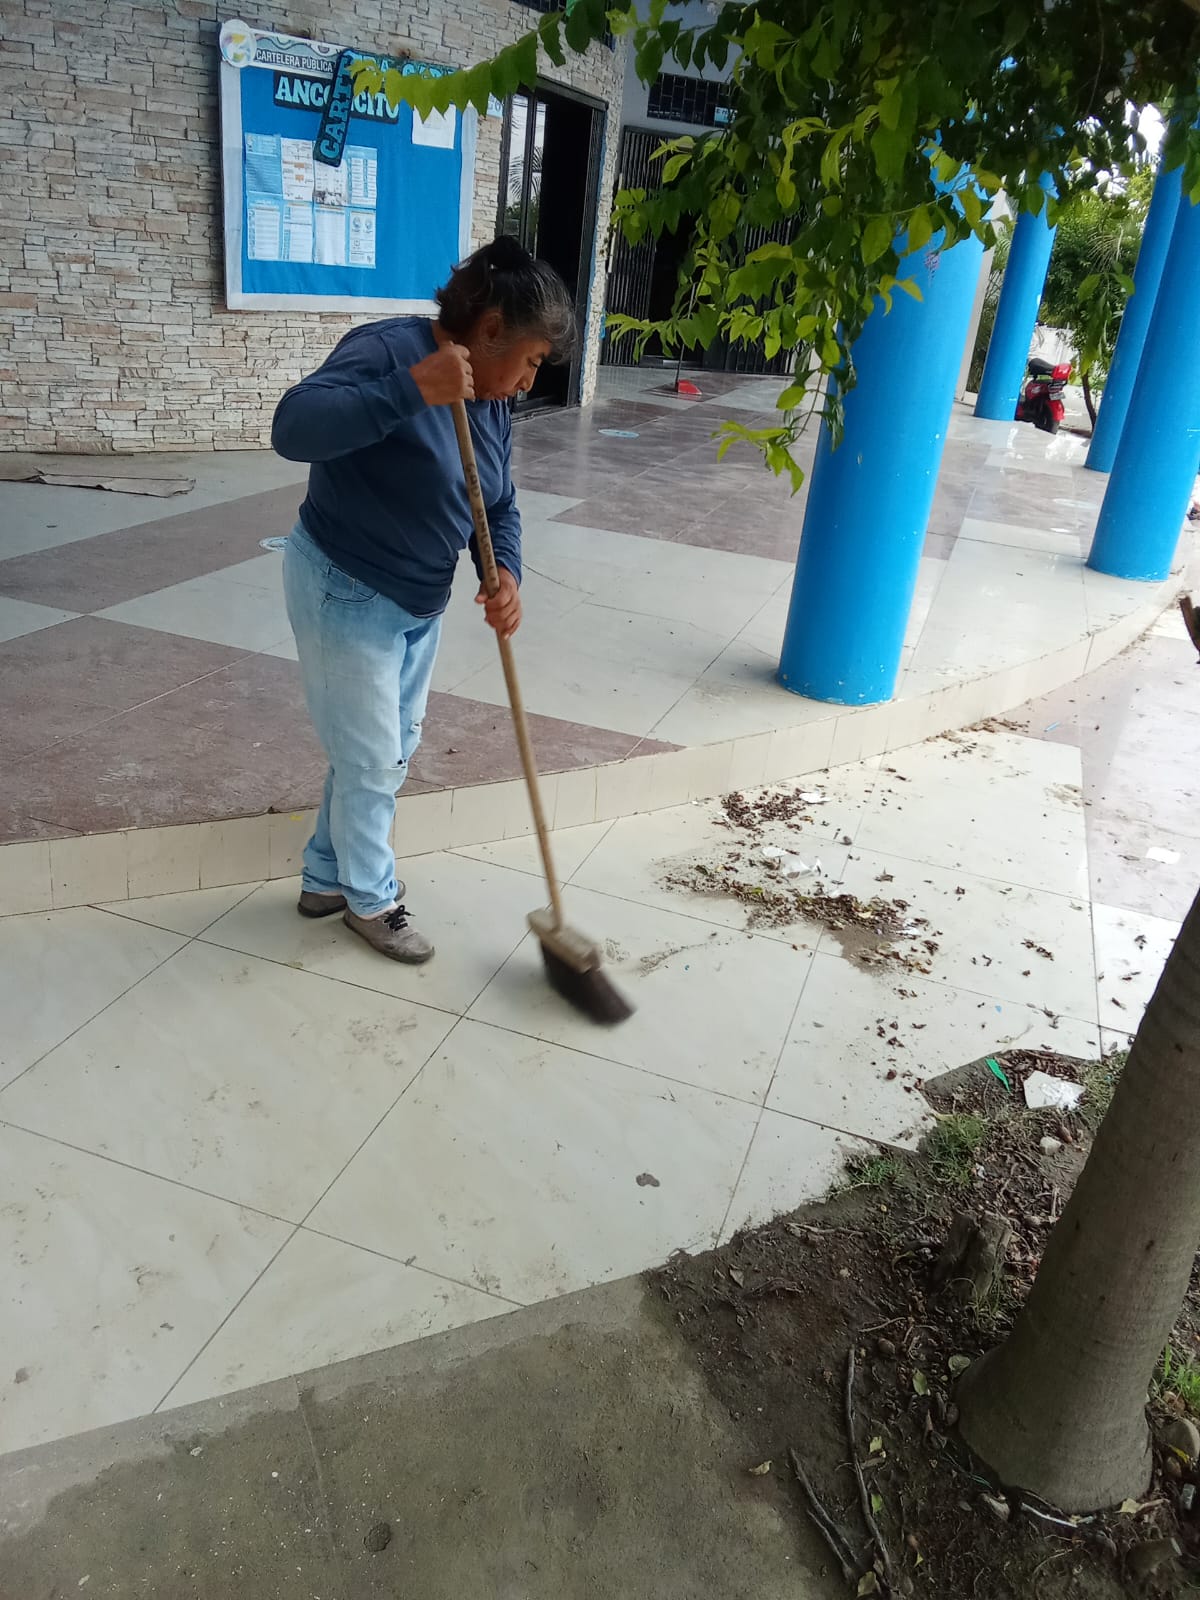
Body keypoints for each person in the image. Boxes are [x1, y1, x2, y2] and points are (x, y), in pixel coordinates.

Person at [271, 237, 577, 964]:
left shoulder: (490, 402)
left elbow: (496, 501)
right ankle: (372, 901)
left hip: (417, 602)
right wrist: (410, 390)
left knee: (384, 750)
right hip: (345, 586)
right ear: (492, 328)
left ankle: (324, 879)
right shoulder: (388, 351)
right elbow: (292, 428)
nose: (528, 381)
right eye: (531, 360)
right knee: (373, 758)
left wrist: (505, 572)